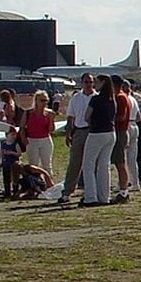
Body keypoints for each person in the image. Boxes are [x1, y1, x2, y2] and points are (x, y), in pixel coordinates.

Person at [58, 73, 95, 204]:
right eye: (86, 82)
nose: (89, 84)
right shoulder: (76, 98)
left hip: (92, 132)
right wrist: (68, 133)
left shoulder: (96, 97)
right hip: (79, 131)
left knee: (91, 164)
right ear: (81, 83)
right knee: (75, 163)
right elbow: (70, 116)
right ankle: (67, 192)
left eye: (90, 82)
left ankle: (90, 191)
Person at [81, 75, 117, 206]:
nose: (94, 84)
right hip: (110, 133)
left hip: (97, 133)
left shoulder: (95, 99)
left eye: (96, 82)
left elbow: (86, 116)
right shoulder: (112, 99)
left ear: (102, 83)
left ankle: (90, 197)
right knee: (104, 165)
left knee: (88, 165)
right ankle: (104, 196)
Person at [110, 74, 133, 202]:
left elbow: (121, 116)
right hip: (119, 131)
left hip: (120, 132)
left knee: (120, 162)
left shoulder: (120, 97)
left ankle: (124, 191)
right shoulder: (119, 96)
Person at [23, 90, 56, 177]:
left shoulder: (48, 113)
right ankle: (35, 185)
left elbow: (51, 130)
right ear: (36, 101)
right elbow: (22, 127)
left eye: (45, 101)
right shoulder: (28, 113)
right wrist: (24, 139)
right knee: (34, 165)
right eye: (42, 100)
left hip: (45, 140)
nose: (44, 103)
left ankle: (49, 185)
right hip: (32, 140)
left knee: (47, 165)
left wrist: (51, 119)